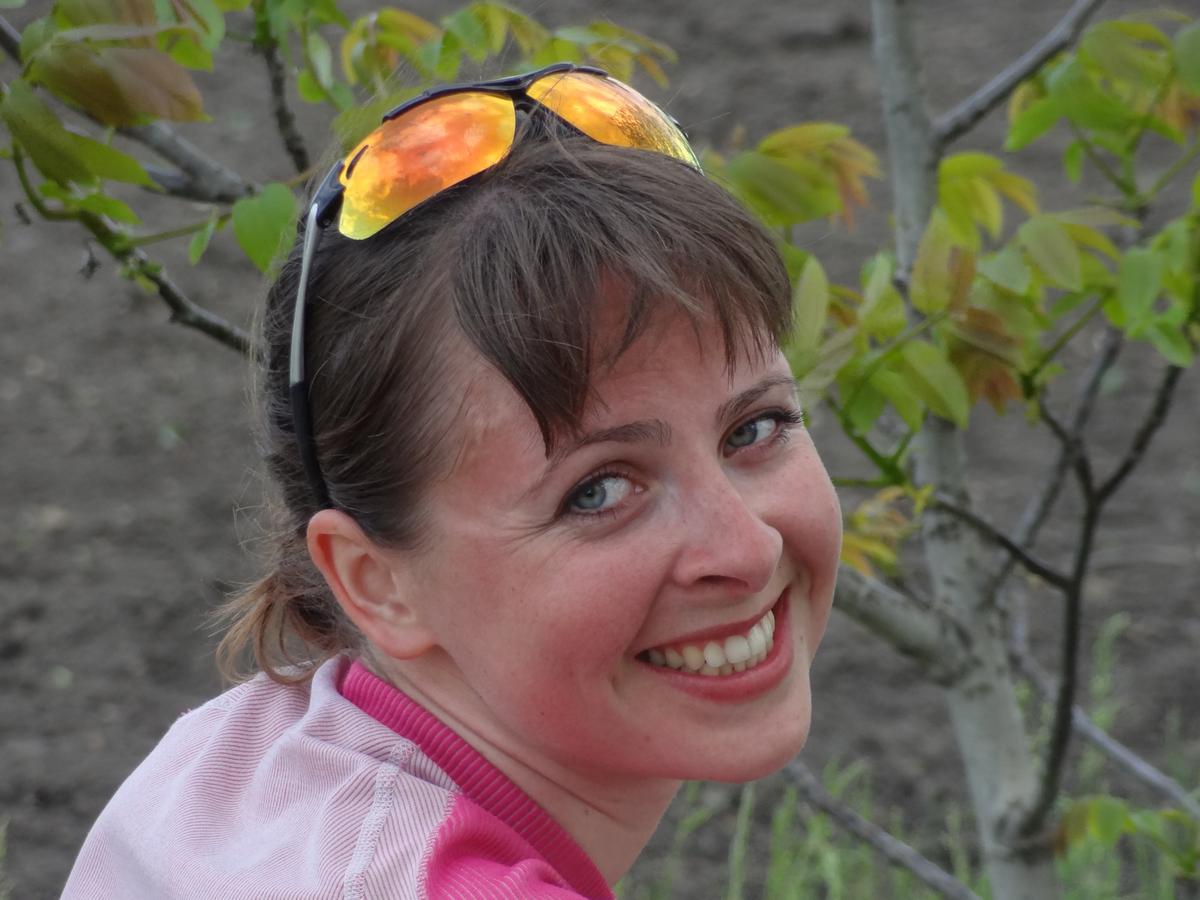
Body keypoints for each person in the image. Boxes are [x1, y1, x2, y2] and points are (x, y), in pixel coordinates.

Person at [63, 63, 841, 899]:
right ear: (377, 583)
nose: (746, 550)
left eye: (755, 428)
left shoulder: (225, 771)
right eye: (599, 491)